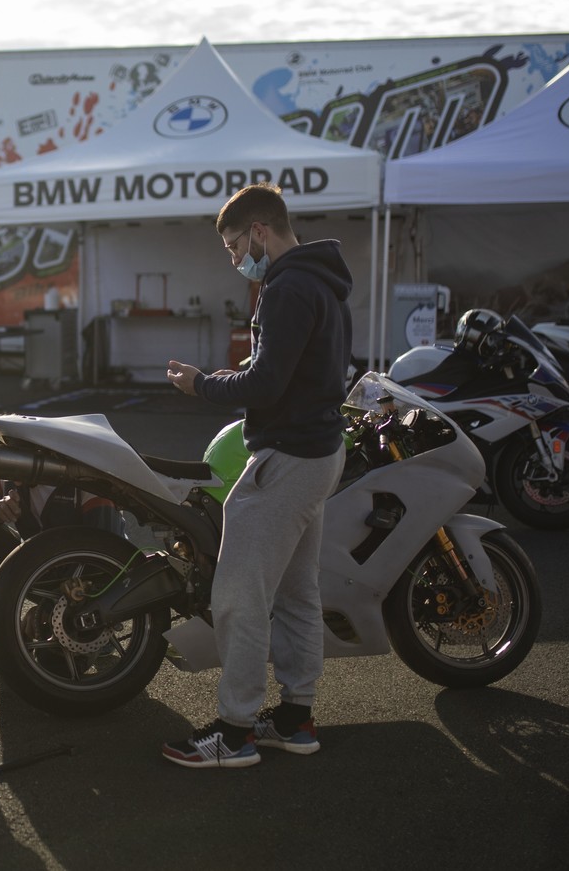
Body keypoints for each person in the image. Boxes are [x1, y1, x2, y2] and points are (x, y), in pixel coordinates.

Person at [161, 182, 352, 769]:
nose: (233, 257)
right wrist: (239, 371)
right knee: (297, 592)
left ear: (260, 232)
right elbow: (286, 367)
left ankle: (236, 732)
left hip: (288, 457)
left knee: (239, 594)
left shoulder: (287, 287)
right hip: (319, 452)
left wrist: (203, 385)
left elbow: (267, 385)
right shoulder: (321, 279)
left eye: (233, 244)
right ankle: (296, 719)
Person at [0, 460, 128, 610]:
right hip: (41, 566)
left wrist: (51, 608)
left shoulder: (86, 485)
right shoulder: (9, 473)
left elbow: (106, 555)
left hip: (90, 576)